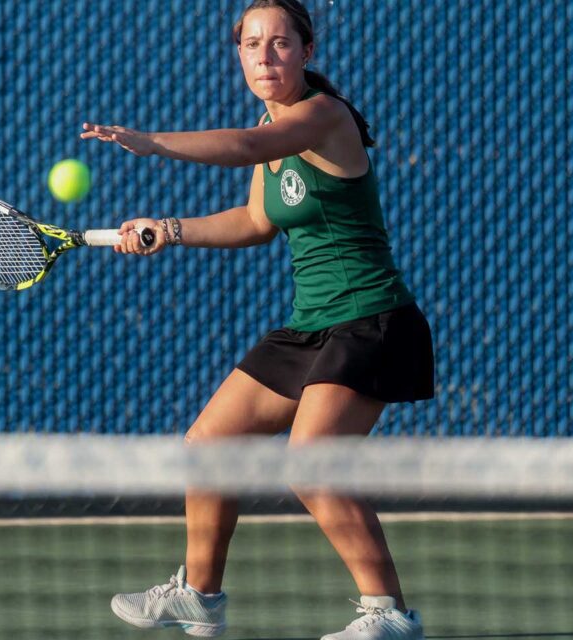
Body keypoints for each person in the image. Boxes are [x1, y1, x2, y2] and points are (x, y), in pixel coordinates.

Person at [81, 1, 433, 638]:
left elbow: (247, 148)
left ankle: (389, 615)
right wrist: (169, 229)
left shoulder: (323, 116)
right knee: (210, 445)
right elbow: (256, 221)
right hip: (311, 325)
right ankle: (200, 596)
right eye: (251, 45)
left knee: (310, 464)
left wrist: (152, 143)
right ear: (239, 54)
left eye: (279, 43)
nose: (265, 57)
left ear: (306, 51)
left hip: (371, 320)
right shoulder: (271, 125)